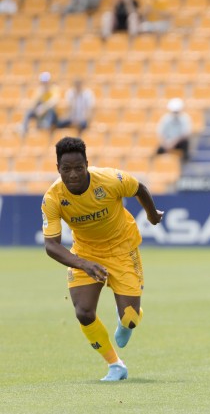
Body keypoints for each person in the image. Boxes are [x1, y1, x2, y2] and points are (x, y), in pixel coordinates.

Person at [41, 136, 163, 381]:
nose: (73, 174)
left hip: (122, 248)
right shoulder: (53, 198)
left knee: (130, 319)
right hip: (86, 252)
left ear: (87, 164)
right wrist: (83, 263)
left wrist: (151, 215)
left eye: (78, 168)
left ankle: (126, 318)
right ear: (58, 169)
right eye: (66, 169)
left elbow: (139, 188)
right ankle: (115, 365)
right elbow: (51, 246)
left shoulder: (110, 179)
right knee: (84, 312)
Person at [21, 72, 61, 136]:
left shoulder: (54, 89)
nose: (44, 84)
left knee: (51, 110)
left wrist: (44, 107)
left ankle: (46, 126)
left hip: (51, 114)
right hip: (41, 113)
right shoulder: (40, 90)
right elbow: (34, 103)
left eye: (46, 82)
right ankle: (24, 128)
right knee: (29, 112)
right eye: (43, 82)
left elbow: (54, 101)